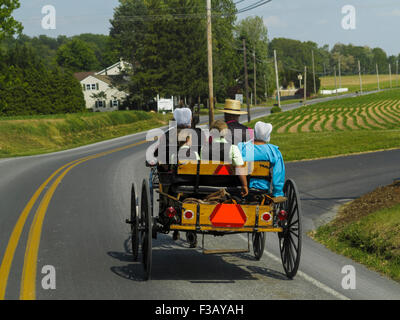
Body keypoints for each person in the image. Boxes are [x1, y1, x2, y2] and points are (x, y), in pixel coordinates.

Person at [201, 120, 248, 197]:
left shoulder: (204, 148)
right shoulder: (233, 148)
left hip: (208, 183)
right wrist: (245, 185)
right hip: (229, 184)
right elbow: (239, 168)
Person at [238, 122, 285, 197]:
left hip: (241, 187)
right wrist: (277, 193)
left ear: (254, 133)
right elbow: (278, 173)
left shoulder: (242, 147)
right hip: (263, 188)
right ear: (268, 135)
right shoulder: (273, 151)